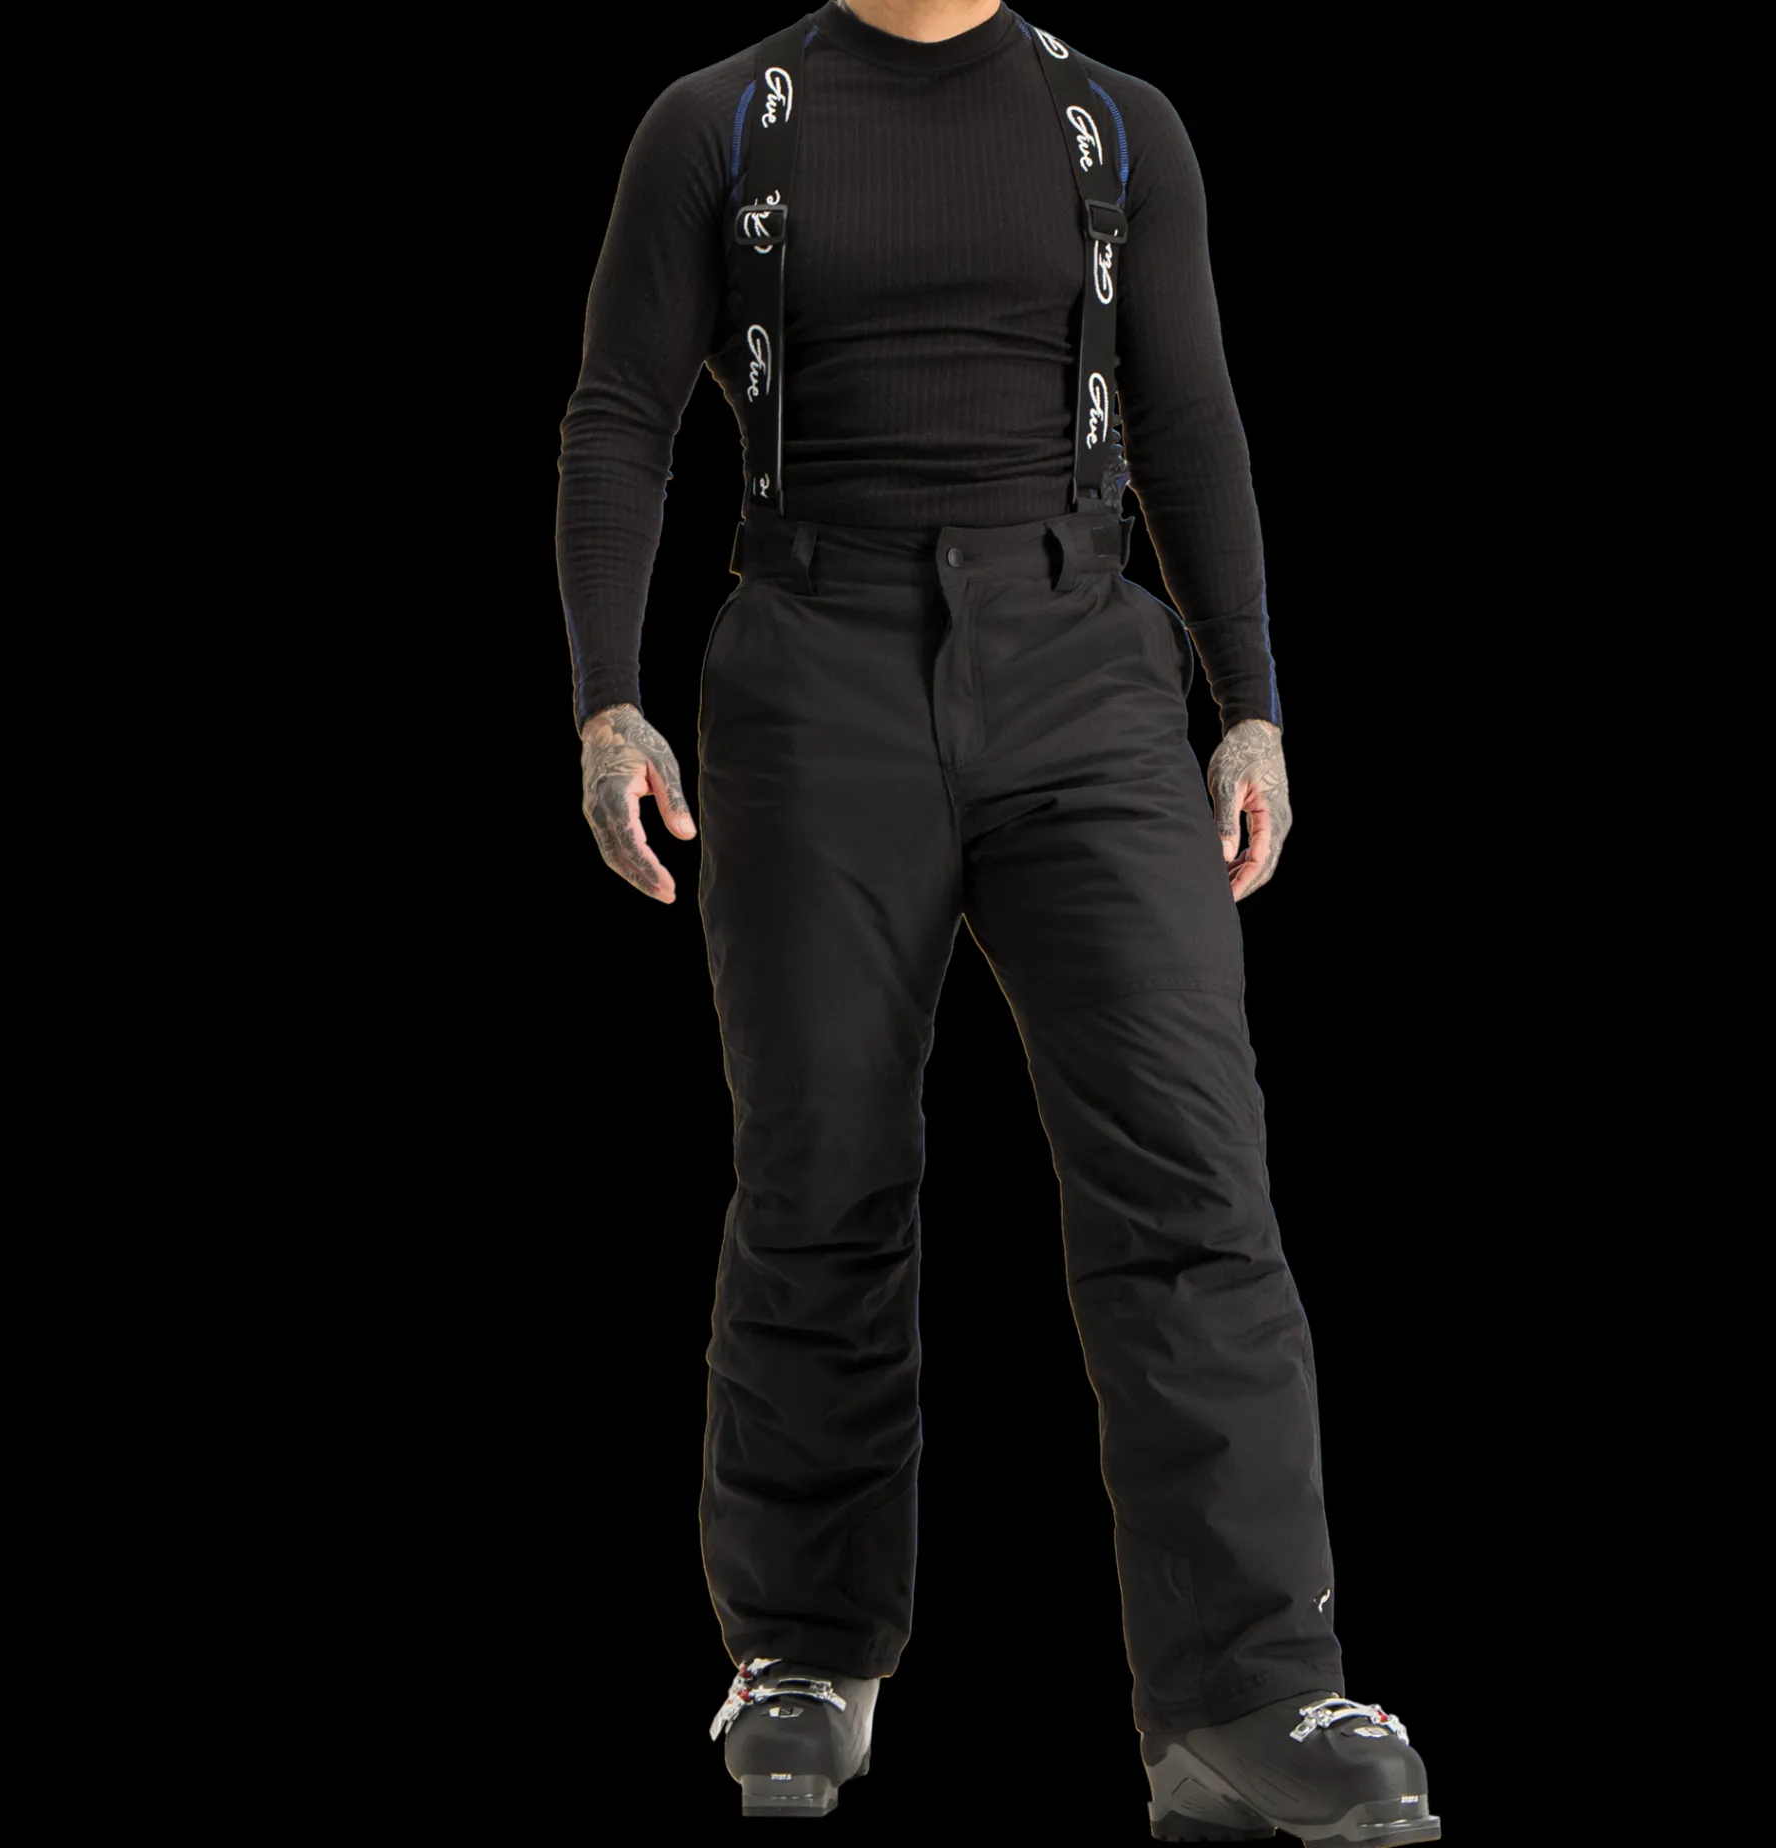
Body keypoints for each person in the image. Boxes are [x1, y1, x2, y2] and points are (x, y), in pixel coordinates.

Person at [557, 2, 1440, 1839]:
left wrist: (1252, 705)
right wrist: (605, 702)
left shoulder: (1117, 123)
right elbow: (620, 414)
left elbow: (1187, 414)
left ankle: (1247, 1693)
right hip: (812, 669)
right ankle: (801, 1656)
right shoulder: (720, 121)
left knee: (1190, 1171)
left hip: (1085, 664)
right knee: (820, 1167)